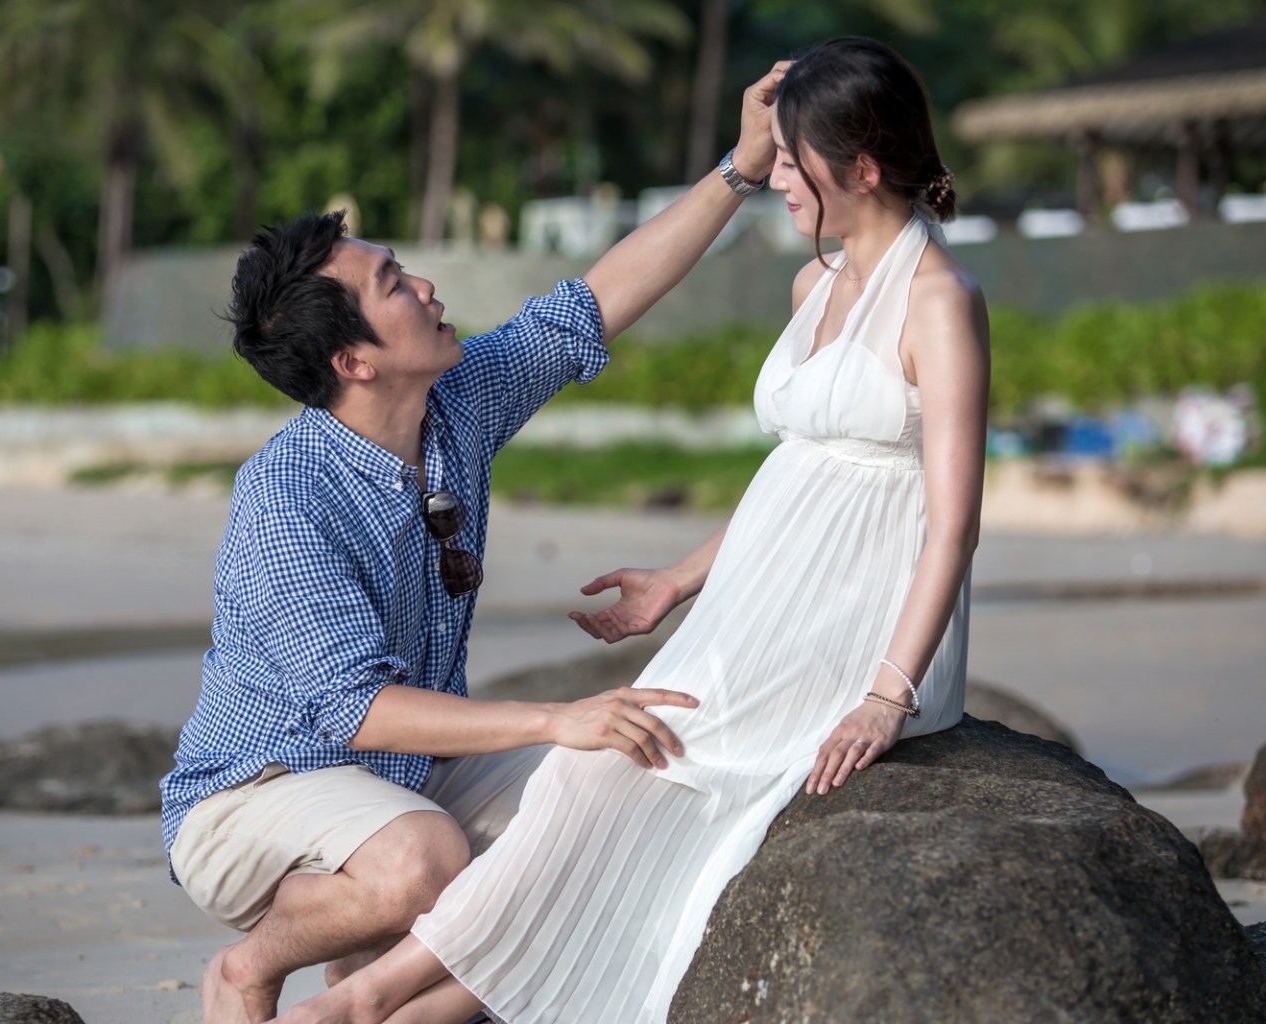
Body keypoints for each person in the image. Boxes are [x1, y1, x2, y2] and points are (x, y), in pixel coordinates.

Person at [272, 35, 990, 1024]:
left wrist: (886, 695)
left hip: (860, 624)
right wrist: (679, 581)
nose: (776, 177)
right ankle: (387, 1009)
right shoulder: (813, 285)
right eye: (773, 158)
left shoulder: (942, 301)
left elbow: (953, 522)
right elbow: (803, 486)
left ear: (862, 170)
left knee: (622, 785)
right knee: (596, 776)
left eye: (791, 160)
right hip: (761, 607)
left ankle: (368, 999)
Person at [158, 63, 792, 1024]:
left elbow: (596, 301)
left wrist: (740, 171)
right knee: (426, 861)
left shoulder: (455, 407)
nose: (424, 284)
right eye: (391, 283)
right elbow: (358, 712)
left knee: (631, 781)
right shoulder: (287, 497)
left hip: (402, 780)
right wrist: (551, 718)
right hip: (259, 789)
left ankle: (363, 991)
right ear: (354, 360)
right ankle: (250, 970)